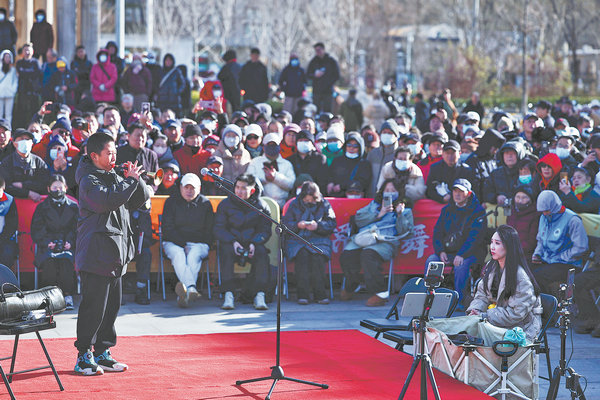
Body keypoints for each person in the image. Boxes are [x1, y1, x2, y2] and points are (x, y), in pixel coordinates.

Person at [74, 132, 151, 375]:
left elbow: (138, 200)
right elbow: (106, 201)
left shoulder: (115, 175)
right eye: (109, 153)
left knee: (111, 308)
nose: (114, 157)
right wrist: (128, 182)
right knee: (93, 307)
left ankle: (102, 352)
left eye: (115, 152)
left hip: (116, 253)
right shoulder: (88, 179)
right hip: (96, 253)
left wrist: (136, 179)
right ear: (94, 156)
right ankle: (83, 355)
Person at [340, 179, 414, 306]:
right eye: (387, 190)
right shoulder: (373, 205)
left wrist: (400, 215)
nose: (389, 193)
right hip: (365, 238)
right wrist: (379, 214)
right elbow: (358, 220)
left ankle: (380, 293)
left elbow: (406, 232)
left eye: (393, 191)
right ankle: (352, 284)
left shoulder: (405, 210)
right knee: (347, 255)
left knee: (368, 255)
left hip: (385, 242)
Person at [466, 225, 542, 341]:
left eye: (497, 243)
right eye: (491, 242)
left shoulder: (521, 278)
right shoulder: (491, 266)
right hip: (497, 323)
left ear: (509, 246)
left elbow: (516, 314)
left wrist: (485, 316)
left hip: (520, 330)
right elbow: (481, 295)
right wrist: (476, 311)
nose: (492, 247)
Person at [214, 174, 272, 310]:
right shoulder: (225, 205)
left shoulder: (262, 206)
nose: (239, 191)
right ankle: (228, 294)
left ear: (252, 190)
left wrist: (254, 243)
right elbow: (219, 228)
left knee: (262, 254)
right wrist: (233, 241)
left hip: (252, 242)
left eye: (243, 188)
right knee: (225, 251)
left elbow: (265, 230)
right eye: (237, 187)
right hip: (231, 242)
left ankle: (259, 294)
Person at [429, 178, 486, 303]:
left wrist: (461, 254)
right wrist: (440, 251)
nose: (457, 194)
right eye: (455, 191)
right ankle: (431, 298)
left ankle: (459, 301)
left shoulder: (478, 211)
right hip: (449, 251)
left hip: (470, 253)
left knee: (461, 265)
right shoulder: (446, 210)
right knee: (432, 261)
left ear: (469, 194)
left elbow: (475, 238)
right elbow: (437, 233)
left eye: (461, 191)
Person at [162, 173, 214, 307]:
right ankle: (191, 288)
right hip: (173, 242)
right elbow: (167, 228)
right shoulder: (171, 202)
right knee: (178, 254)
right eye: (186, 187)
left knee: (193, 255)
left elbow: (209, 231)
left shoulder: (205, 204)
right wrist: (182, 244)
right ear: (180, 187)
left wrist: (192, 244)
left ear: (199, 188)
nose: (189, 191)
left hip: (199, 243)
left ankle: (185, 293)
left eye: (193, 188)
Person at [282, 181, 336, 304]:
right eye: (306, 200)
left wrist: (318, 226)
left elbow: (332, 223)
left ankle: (320, 294)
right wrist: (297, 225)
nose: (309, 202)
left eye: (311, 200)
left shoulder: (325, 204)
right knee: (302, 256)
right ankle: (303, 295)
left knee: (318, 257)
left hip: (319, 239)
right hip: (297, 239)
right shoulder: (294, 204)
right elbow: (285, 224)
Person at [31, 174, 78, 310]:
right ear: (48, 189)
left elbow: (77, 228)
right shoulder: (42, 207)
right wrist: (47, 242)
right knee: (49, 263)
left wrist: (70, 242)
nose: (58, 190)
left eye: (60, 187)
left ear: (66, 188)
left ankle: (67, 295)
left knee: (66, 261)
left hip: (67, 244)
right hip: (47, 245)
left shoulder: (73, 207)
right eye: (54, 187)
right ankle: (49, 297)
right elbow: (36, 229)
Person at [532, 190, 588, 295]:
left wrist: (561, 257)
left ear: (554, 207)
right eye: (542, 211)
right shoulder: (544, 217)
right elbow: (540, 239)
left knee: (538, 277)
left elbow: (581, 247)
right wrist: (537, 254)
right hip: (547, 259)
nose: (544, 213)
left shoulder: (572, 220)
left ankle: (546, 302)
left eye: (547, 211)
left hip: (567, 263)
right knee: (524, 272)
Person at [246, 133, 295, 209]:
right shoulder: (255, 162)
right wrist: (265, 178)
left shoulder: (287, 164)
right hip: (260, 206)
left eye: (274, 145)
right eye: (269, 145)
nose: (272, 147)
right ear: (263, 147)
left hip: (282, 205)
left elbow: (291, 184)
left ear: (279, 146)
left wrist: (275, 177)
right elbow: (248, 182)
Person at [0, 128, 48, 201]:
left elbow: (44, 183)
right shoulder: (7, 163)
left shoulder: (38, 162)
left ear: (32, 143)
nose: (25, 142)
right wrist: (27, 193)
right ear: (14, 143)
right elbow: (6, 186)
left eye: (27, 139)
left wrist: (23, 185)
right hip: (13, 203)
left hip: (35, 202)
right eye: (21, 139)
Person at [326, 131, 371, 198]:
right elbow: (330, 175)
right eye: (349, 145)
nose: (351, 148)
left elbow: (362, 182)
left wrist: (342, 186)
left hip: (354, 197)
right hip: (337, 197)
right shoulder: (337, 161)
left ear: (360, 148)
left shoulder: (364, 164)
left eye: (355, 146)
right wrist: (330, 183)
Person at [483, 140, 528, 205]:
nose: (509, 156)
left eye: (513, 153)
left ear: (519, 155)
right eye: (506, 153)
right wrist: (496, 197)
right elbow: (486, 193)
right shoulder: (495, 173)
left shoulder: (526, 172)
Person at [366, 120, 400, 197]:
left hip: (389, 197)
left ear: (396, 136)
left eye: (390, 133)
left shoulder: (399, 155)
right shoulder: (373, 153)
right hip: (371, 196)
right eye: (384, 132)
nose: (386, 135)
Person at [505, 185, 540, 260]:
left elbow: (532, 242)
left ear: (530, 199)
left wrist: (514, 249)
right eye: (518, 197)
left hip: (525, 256)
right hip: (509, 253)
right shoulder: (511, 212)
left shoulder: (535, 215)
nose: (520, 201)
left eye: (524, 198)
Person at [14, 43, 42, 129]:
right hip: (23, 90)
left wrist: (25, 72)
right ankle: (21, 129)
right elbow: (21, 72)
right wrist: (30, 72)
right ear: (22, 52)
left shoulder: (36, 62)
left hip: (33, 91)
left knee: (34, 111)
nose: (27, 52)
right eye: (25, 50)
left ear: (32, 52)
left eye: (29, 50)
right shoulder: (19, 62)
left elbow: (37, 73)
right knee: (22, 111)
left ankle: (34, 128)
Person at [307, 43, 339, 113]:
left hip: (328, 91)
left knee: (327, 111)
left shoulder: (331, 61)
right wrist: (315, 75)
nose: (318, 52)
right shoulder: (313, 62)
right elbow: (308, 75)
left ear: (323, 49)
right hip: (316, 91)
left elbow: (337, 75)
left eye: (319, 50)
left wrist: (328, 83)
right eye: (316, 50)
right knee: (315, 110)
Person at [0, 175, 17, 269]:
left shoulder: (9, 201)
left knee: (7, 254)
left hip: (5, 238)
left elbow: (12, 224)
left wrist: (2, 238)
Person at [0, 49, 16, 123]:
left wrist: (13, 91)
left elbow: (15, 81)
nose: (7, 58)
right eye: (6, 57)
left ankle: (8, 128)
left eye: (9, 57)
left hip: (10, 94)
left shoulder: (13, 70)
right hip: (0, 93)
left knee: (8, 114)